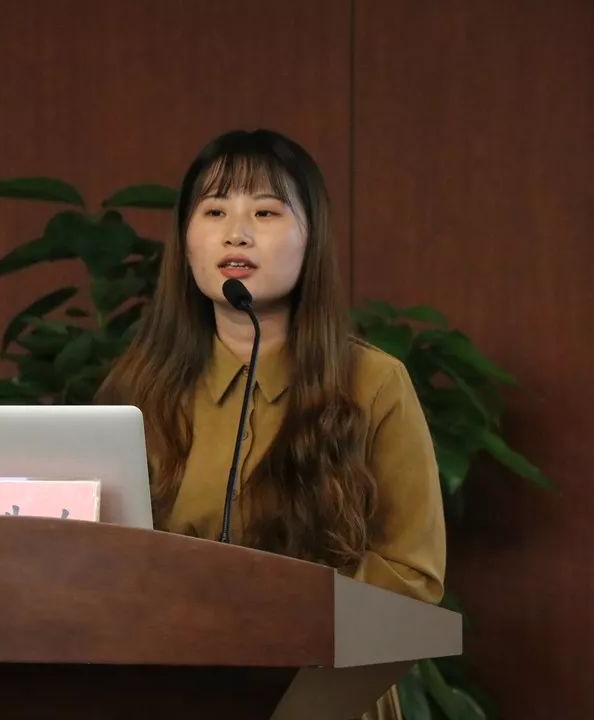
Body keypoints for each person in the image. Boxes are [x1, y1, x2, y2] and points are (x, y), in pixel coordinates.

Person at [96, 129, 446, 720]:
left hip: (324, 690)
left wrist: (276, 611)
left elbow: (411, 577)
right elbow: (102, 560)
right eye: (214, 211)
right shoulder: (137, 390)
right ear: (185, 242)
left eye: (265, 211)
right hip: (171, 688)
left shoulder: (373, 382)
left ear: (313, 239)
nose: (236, 232)